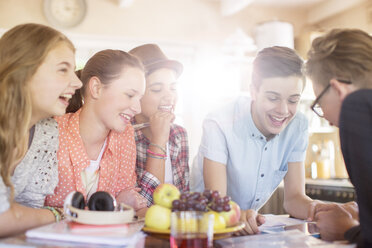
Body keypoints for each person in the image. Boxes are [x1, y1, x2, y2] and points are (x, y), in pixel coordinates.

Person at [191, 46, 316, 234]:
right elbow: (217, 204)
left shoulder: (298, 125)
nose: (283, 110)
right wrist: (235, 215)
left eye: (293, 100)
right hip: (202, 227)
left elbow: (294, 199)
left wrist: (322, 210)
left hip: (245, 230)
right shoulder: (219, 122)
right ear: (253, 92)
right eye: (273, 98)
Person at [0, 23, 82, 237]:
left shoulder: (47, 130)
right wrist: (57, 214)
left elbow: (30, 211)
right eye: (63, 69)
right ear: (22, 72)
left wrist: (26, 217)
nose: (77, 82)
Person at [45, 49, 148, 213]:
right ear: (96, 88)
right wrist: (117, 203)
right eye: (129, 95)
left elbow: (129, 203)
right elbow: (29, 207)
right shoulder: (51, 133)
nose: (137, 108)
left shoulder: (125, 135)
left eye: (139, 98)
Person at [306, 28, 372, 247]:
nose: (323, 114)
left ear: (338, 89)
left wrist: (347, 229)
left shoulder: (356, 106)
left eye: (319, 102)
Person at [129, 44, 189, 205]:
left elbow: (184, 197)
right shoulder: (124, 136)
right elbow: (143, 205)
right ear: (135, 95)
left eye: (173, 88)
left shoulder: (179, 134)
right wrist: (159, 139)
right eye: (157, 89)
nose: (169, 97)